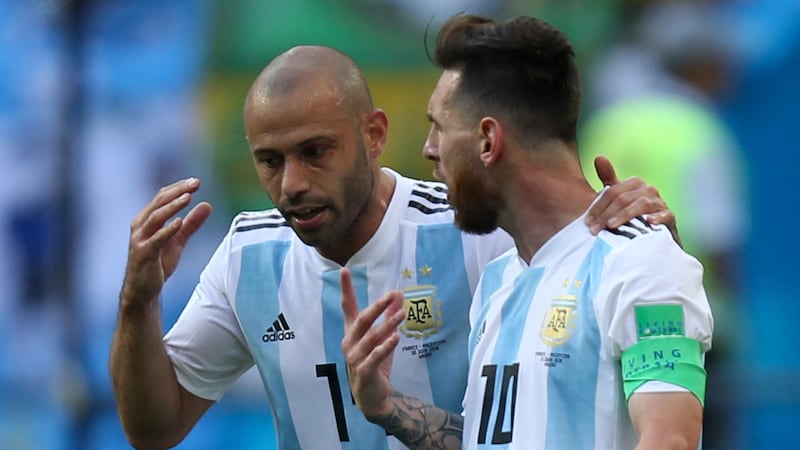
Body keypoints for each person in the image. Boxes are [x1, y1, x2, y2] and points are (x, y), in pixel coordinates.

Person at [110, 44, 677, 450]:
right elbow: (154, 429)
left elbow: (598, 263)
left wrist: (646, 233)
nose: (292, 184)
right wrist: (138, 303)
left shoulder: (472, 233)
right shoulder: (248, 256)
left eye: (315, 152)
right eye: (270, 161)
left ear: (374, 135)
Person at [341, 13, 713, 450]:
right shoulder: (499, 279)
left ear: (487, 141)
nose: (429, 149)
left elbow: (672, 442)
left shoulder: (640, 262)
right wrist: (386, 405)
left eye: (439, 127)